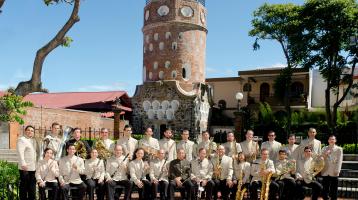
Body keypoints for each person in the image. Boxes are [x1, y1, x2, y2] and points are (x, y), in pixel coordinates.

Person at [17, 125, 37, 200]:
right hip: (25, 168)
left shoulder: (33, 140)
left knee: (32, 188)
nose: (30, 132)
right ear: (25, 131)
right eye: (28, 130)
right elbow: (20, 152)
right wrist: (23, 163)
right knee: (24, 188)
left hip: (33, 168)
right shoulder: (22, 139)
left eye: (32, 131)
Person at [321, 135, 343, 200]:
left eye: (333, 139)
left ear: (335, 140)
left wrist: (337, 170)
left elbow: (340, 160)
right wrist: (325, 154)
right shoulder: (324, 148)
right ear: (328, 140)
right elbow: (321, 158)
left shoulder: (339, 149)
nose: (331, 140)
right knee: (325, 189)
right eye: (330, 139)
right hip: (325, 171)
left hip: (334, 171)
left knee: (334, 189)